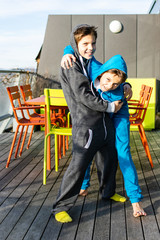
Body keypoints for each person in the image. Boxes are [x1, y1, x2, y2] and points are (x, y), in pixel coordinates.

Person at [52, 24, 126, 223]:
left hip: (104, 124)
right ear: (75, 44)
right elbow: (83, 95)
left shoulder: (91, 62)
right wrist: (110, 107)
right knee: (78, 167)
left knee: (109, 161)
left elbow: (109, 74)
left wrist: (124, 84)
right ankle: (60, 206)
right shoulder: (70, 64)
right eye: (85, 44)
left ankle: (108, 192)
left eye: (93, 43)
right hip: (86, 127)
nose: (90, 47)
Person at [62, 51, 147, 217]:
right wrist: (66, 53)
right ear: (102, 72)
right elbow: (79, 44)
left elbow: (119, 81)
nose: (109, 86)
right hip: (97, 117)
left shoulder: (118, 88)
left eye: (116, 84)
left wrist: (125, 86)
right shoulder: (96, 68)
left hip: (119, 116)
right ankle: (84, 185)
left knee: (123, 154)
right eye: (108, 80)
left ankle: (136, 201)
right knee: (87, 147)